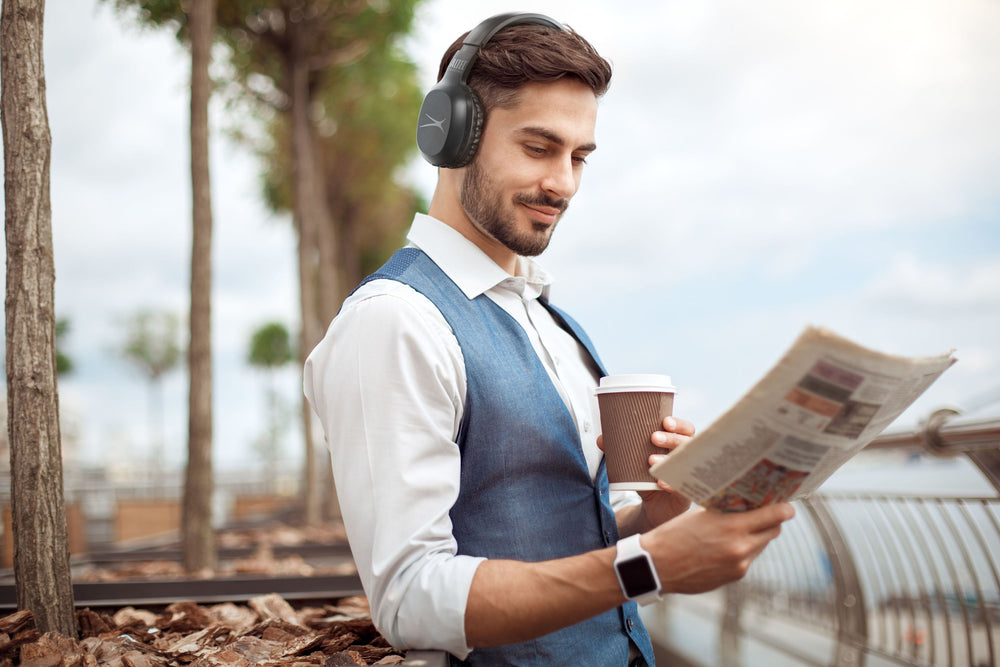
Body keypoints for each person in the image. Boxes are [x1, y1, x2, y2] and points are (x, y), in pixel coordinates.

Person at [304, 12, 794, 666]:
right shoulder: (394, 321)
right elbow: (410, 597)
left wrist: (656, 517)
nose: (563, 182)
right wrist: (646, 565)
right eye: (539, 148)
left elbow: (548, 538)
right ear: (451, 135)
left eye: (579, 156)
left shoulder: (553, 321)